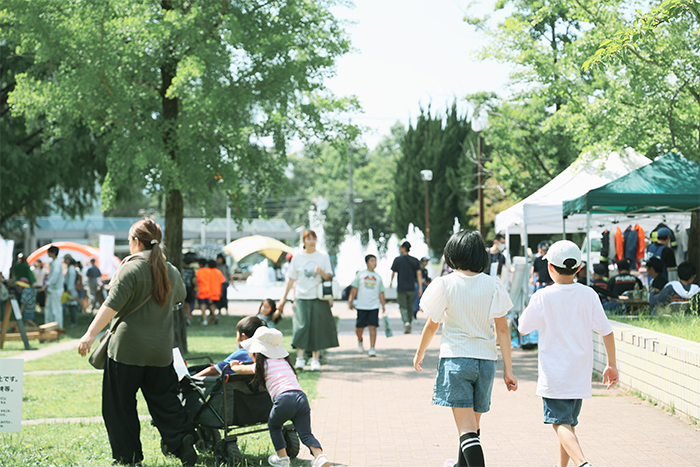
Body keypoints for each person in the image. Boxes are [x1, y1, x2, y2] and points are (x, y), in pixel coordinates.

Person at [77, 218, 197, 467]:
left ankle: (128, 457)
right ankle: (183, 439)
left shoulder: (130, 268)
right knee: (165, 401)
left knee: (119, 406)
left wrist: (90, 334)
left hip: (127, 351)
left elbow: (111, 306)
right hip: (161, 351)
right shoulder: (171, 271)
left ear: (135, 241)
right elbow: (180, 298)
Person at [413, 230, 517, 467]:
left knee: (467, 429)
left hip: (457, 360)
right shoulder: (493, 284)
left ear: (452, 254)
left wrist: (420, 353)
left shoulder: (445, 284)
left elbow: (432, 325)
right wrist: (508, 369)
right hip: (486, 363)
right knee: (472, 427)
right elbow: (503, 330)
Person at [518, 240, 618, 467]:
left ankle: (583, 464)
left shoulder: (542, 296)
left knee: (559, 423)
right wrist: (611, 364)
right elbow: (607, 331)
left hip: (554, 374)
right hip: (579, 372)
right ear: (579, 268)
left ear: (550, 267)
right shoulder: (589, 294)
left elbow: (523, 327)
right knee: (568, 423)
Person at [230, 327, 331, 467]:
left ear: (257, 352)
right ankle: (319, 457)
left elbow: (240, 370)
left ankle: (282, 459)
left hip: (284, 399)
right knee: (306, 433)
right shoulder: (284, 362)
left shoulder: (261, 365)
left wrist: (234, 365)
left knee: (274, 425)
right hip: (301, 397)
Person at [277, 229, 338, 372]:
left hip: (318, 297)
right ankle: (300, 358)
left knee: (318, 328)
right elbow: (291, 279)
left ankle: (315, 359)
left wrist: (320, 272)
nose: (311, 242)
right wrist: (283, 299)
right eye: (308, 239)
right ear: (303, 241)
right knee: (301, 327)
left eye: (314, 239)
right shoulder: (297, 257)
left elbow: (329, 277)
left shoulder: (323, 256)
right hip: (301, 297)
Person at [194, 316, 267, 377]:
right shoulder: (268, 353)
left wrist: (192, 379)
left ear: (243, 337)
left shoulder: (243, 353)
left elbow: (215, 370)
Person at [348, 254, 386, 357]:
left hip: (373, 306)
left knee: (372, 327)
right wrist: (351, 300)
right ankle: (360, 340)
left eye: (375, 261)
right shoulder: (360, 275)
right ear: (367, 262)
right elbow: (354, 288)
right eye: (372, 261)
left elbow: (381, 292)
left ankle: (372, 347)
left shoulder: (378, 277)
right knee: (359, 328)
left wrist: (383, 305)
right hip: (361, 306)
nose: (374, 263)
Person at [390, 241, 423, 334]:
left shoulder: (397, 260)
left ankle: (406, 322)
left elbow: (393, 272)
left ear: (403, 248)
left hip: (401, 288)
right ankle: (409, 323)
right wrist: (420, 288)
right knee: (410, 307)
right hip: (411, 288)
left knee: (402, 306)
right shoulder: (415, 260)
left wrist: (391, 282)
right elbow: (419, 274)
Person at [196, 259, 226, 325]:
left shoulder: (199, 271)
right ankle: (214, 316)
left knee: (203, 305)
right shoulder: (217, 272)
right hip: (213, 292)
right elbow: (222, 282)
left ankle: (204, 318)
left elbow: (197, 281)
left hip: (202, 291)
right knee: (212, 305)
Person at [44, 245, 64, 328]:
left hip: (56, 289)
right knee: (49, 309)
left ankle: (58, 326)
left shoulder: (56, 263)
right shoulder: (54, 262)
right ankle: (49, 326)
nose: (48, 253)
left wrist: (47, 284)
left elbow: (55, 276)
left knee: (56, 309)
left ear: (53, 253)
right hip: (52, 289)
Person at [63, 254, 80, 328]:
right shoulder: (70, 268)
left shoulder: (71, 268)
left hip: (71, 289)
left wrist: (69, 289)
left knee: (72, 305)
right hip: (70, 288)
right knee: (71, 305)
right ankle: (73, 321)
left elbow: (71, 279)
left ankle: (74, 322)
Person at [181, 255, 197, 325]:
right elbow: (194, 280)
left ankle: (184, 316)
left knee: (182, 303)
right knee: (188, 303)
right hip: (190, 288)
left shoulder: (181, 270)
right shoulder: (192, 270)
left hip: (182, 287)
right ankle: (189, 316)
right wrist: (196, 288)